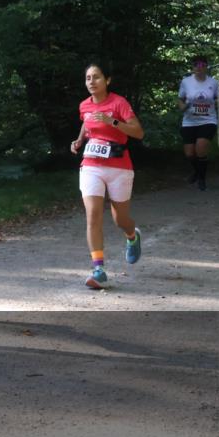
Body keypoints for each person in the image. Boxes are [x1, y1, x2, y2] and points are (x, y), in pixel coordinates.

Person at [70, 63, 145, 289]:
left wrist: (111, 121)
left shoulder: (119, 103)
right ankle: (98, 269)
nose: (91, 82)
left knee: (120, 219)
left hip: (119, 166)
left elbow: (138, 132)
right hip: (91, 164)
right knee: (93, 215)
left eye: (97, 77)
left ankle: (132, 235)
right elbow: (86, 122)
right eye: (88, 78)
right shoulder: (84, 105)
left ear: (108, 80)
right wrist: (80, 140)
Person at [178, 56, 219, 190]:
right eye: (196, 65)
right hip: (189, 121)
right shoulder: (186, 82)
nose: (199, 67)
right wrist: (183, 107)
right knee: (190, 153)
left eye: (202, 65)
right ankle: (197, 172)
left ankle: (202, 180)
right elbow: (180, 99)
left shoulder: (213, 83)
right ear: (193, 67)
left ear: (206, 66)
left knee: (200, 149)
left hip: (208, 120)